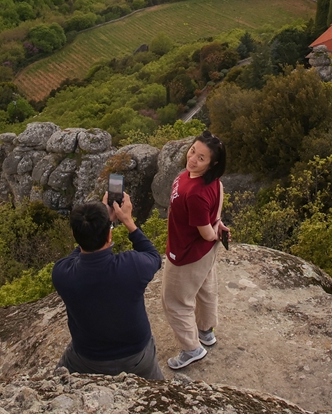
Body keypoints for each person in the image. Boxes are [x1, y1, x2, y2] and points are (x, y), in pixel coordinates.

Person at [51, 191, 164, 379]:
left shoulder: (62, 274)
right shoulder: (132, 266)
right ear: (110, 236)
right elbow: (153, 256)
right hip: (136, 357)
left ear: (74, 234)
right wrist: (127, 221)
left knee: (55, 382)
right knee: (159, 391)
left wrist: (97, 227)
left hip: (87, 359)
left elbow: (79, 250)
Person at [161, 130, 229, 370]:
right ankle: (206, 332)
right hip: (203, 253)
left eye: (201, 158)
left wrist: (214, 232)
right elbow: (217, 207)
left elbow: (206, 233)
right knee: (205, 289)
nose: (192, 159)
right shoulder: (209, 181)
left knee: (175, 301)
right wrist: (217, 223)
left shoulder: (197, 193)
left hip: (187, 253)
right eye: (192, 151)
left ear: (212, 163)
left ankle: (192, 349)